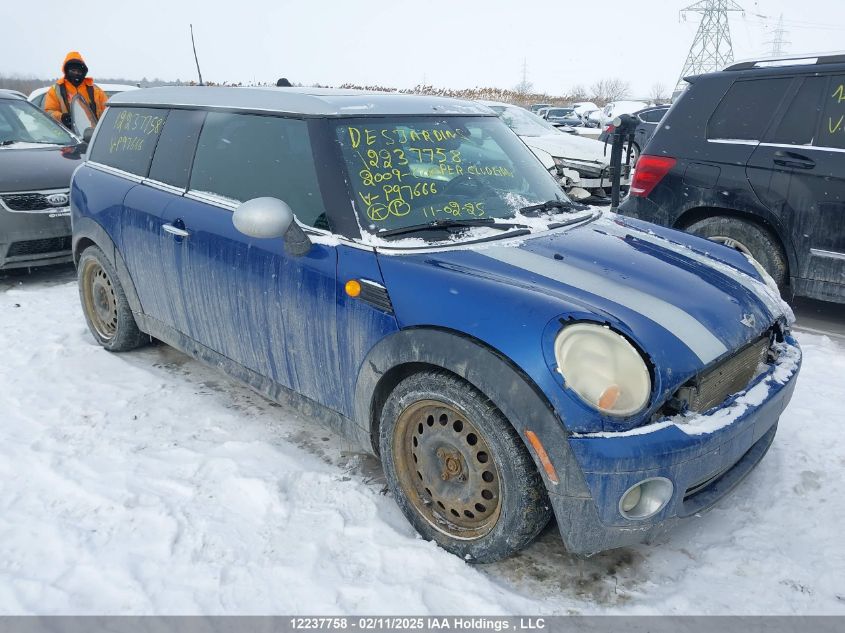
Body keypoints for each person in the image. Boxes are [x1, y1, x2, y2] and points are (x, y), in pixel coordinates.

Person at [44, 51, 108, 129]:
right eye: (73, 71)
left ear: (83, 72)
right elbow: (49, 112)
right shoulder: (56, 89)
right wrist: (62, 117)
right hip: (68, 135)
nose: (76, 73)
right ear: (66, 71)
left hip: (92, 134)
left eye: (79, 71)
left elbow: (107, 112)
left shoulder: (95, 90)